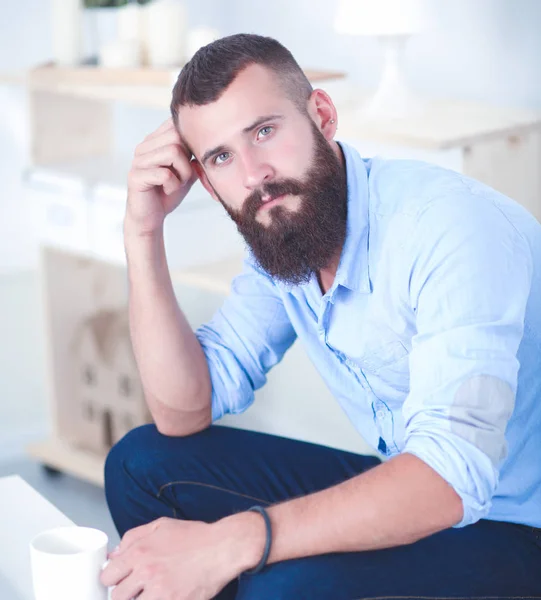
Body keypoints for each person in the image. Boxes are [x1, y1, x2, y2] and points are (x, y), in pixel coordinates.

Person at [100, 34, 541, 599]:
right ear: (206, 181)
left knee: (282, 586)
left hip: (513, 524)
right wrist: (142, 234)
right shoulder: (287, 237)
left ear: (322, 115)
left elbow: (452, 476)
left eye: (264, 131)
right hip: (419, 483)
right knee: (141, 464)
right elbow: (186, 409)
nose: (254, 173)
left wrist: (237, 540)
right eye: (222, 157)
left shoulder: (448, 227)